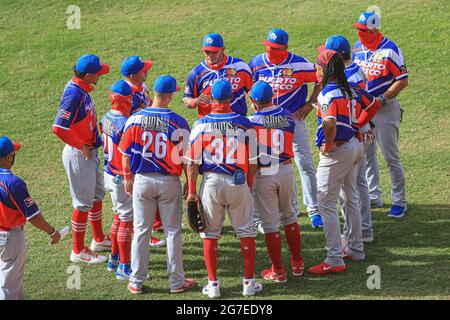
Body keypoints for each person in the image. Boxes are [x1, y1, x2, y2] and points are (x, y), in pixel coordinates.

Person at [185, 79, 263, 298]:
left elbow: (192, 163)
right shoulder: (245, 123)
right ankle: (249, 284)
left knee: (210, 235)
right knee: (246, 233)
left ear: (212, 99)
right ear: (231, 98)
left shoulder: (201, 123)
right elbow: (254, 161)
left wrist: (192, 192)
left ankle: (214, 286)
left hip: (211, 183)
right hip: (238, 182)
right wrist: (247, 186)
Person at [119, 75, 195, 295]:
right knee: (172, 232)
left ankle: (136, 281)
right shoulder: (178, 122)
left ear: (154, 93)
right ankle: (176, 282)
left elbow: (124, 153)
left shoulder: (135, 119)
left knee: (141, 231)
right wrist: (190, 186)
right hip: (168, 182)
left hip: (142, 180)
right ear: (170, 95)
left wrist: (127, 178)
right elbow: (187, 159)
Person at [308, 49, 381, 275]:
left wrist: (328, 145)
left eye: (318, 67)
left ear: (325, 70)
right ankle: (356, 249)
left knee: (326, 203)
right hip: (355, 146)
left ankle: (334, 258)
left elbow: (329, 123)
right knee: (351, 197)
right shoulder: (350, 88)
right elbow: (374, 105)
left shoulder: (326, 93)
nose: (316, 70)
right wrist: (357, 125)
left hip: (338, 151)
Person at [249, 28, 323, 228]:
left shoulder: (299, 64)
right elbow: (249, 85)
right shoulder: (256, 63)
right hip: (264, 124)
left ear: (285, 48)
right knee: (260, 166)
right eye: (269, 47)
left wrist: (310, 104)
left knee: (304, 162)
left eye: (276, 49)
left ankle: (314, 209)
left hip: (292, 121)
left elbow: (321, 78)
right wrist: (254, 103)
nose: (271, 51)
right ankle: (258, 217)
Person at [52, 54, 111, 264]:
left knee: (96, 196)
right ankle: (78, 250)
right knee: (82, 203)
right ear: (87, 75)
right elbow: (58, 128)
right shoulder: (73, 94)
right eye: (97, 73)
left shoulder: (81, 88)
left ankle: (98, 239)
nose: (100, 75)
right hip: (79, 155)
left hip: (89, 153)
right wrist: (81, 145)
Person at [352, 11, 409, 218]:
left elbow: (402, 80)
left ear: (375, 30)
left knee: (390, 156)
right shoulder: (358, 49)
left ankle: (399, 201)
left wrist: (382, 99)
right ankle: (374, 195)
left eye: (363, 30)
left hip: (385, 110)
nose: (360, 34)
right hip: (365, 111)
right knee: (366, 154)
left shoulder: (390, 50)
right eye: (358, 29)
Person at [319, 35, 375, 243]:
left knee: (350, 189)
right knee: (358, 184)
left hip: (350, 134)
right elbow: (372, 103)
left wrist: (356, 125)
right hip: (361, 129)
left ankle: (357, 234)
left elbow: (337, 118)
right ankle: (364, 232)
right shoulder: (357, 69)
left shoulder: (344, 78)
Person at [248, 81, 304, 283]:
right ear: (272, 97)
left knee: (270, 226)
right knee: (290, 218)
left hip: (265, 174)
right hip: (286, 169)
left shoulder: (251, 120)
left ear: (254, 100)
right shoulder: (288, 115)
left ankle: (278, 271)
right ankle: (297, 263)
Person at [0, 136, 61, 300]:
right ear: (8, 157)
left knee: (13, 282)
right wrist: (53, 232)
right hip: (9, 238)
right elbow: (34, 217)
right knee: (8, 286)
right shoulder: (12, 183)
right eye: (13, 153)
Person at [120, 55, 165, 248]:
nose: (146, 71)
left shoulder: (141, 87)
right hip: (137, 144)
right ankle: (143, 231)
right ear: (132, 75)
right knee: (143, 187)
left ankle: (156, 223)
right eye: (142, 69)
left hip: (149, 139)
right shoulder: (125, 93)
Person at [100, 80, 135, 280]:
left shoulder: (105, 118)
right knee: (127, 221)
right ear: (126, 100)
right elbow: (127, 153)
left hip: (108, 173)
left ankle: (114, 259)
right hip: (121, 176)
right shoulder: (125, 123)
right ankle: (124, 266)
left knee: (118, 217)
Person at [183, 33, 253, 117]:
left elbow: (252, 90)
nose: (210, 55)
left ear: (223, 49)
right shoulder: (196, 73)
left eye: (214, 52)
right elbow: (187, 99)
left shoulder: (240, 67)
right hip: (209, 125)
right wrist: (196, 101)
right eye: (207, 52)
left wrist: (255, 107)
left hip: (237, 123)